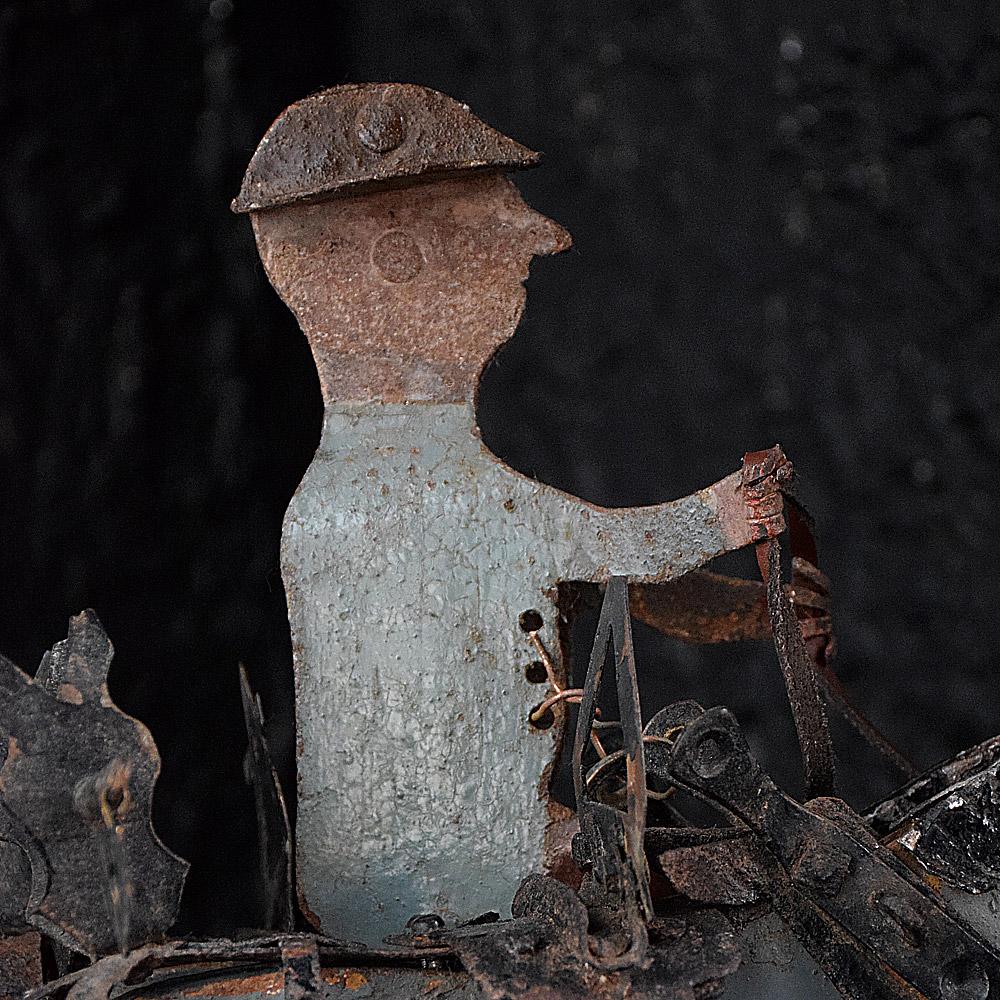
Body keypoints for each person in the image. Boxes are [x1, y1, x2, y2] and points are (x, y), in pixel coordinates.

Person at [235, 83, 763, 945]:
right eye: (494, 224)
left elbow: (583, 568)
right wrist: (731, 513)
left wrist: (743, 605)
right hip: (463, 874)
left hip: (449, 860)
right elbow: (603, 544)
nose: (539, 240)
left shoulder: (352, 493)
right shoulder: (412, 493)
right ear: (400, 264)